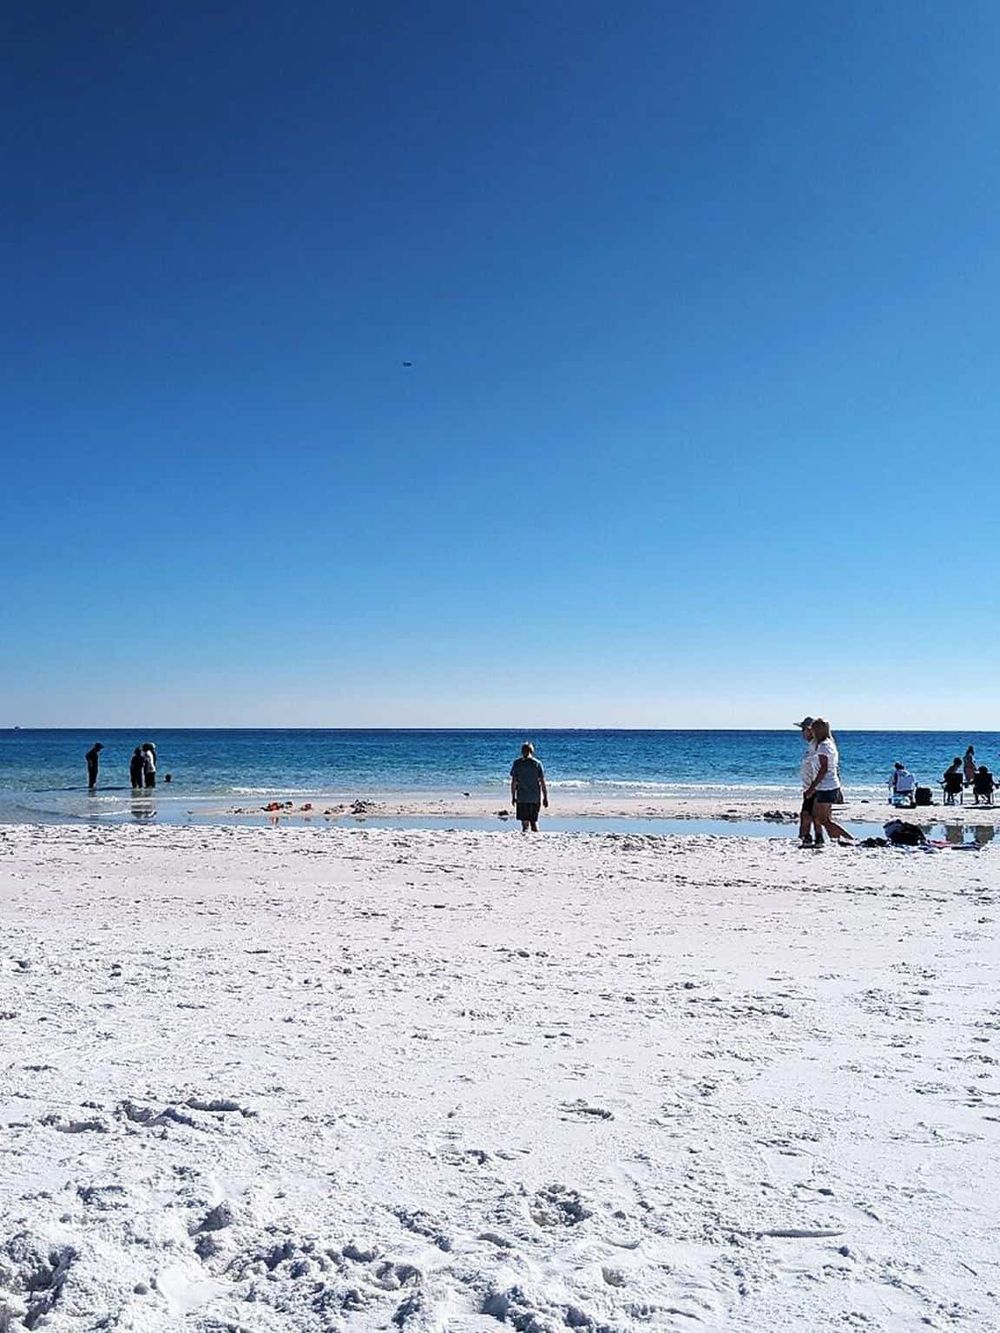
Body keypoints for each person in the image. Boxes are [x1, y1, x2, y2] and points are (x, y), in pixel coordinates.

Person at [803, 718, 853, 845]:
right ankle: (832, 839)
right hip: (826, 786)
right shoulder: (824, 743)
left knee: (823, 819)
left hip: (826, 786)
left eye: (813, 729)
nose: (811, 732)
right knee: (817, 816)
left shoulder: (824, 746)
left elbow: (823, 769)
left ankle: (848, 839)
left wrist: (812, 788)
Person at [510, 742, 548, 833]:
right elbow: (542, 782)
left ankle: (526, 842)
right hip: (534, 798)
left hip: (522, 797)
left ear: (522, 751)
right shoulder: (537, 763)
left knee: (525, 824)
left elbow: (514, 782)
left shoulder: (517, 763)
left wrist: (513, 797)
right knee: (534, 822)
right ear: (532, 751)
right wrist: (545, 797)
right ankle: (536, 840)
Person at [795, 717, 817, 846]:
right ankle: (805, 837)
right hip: (809, 786)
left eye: (803, 729)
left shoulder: (817, 746)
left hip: (814, 787)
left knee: (812, 815)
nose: (802, 733)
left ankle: (806, 837)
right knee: (808, 814)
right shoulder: (812, 746)